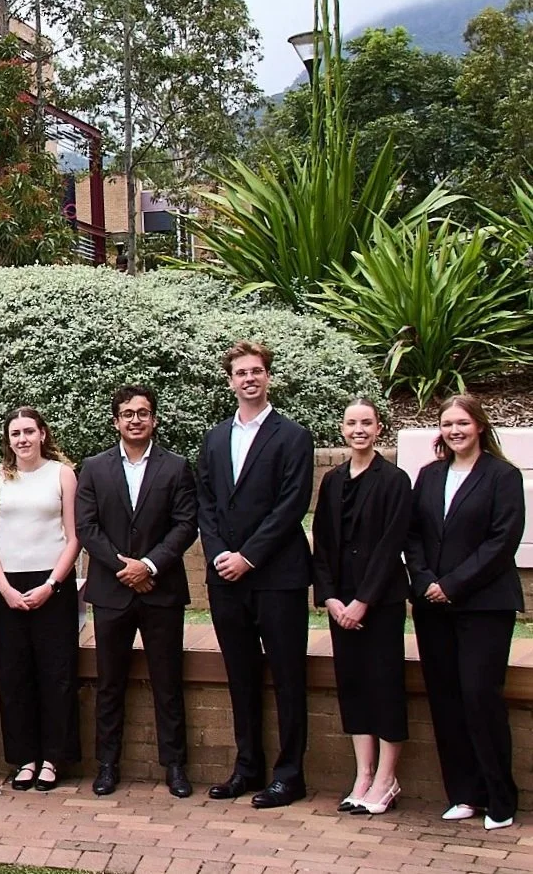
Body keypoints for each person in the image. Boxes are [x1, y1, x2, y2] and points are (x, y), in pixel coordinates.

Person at [196, 340, 314, 809]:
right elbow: (205, 502)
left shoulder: (293, 436)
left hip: (277, 576)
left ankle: (290, 774)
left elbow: (292, 506)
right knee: (240, 676)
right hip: (227, 580)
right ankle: (247, 768)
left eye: (257, 371)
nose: (249, 379)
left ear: (268, 378)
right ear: (231, 381)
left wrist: (249, 555)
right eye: (241, 372)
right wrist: (223, 555)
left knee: (288, 676)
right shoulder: (216, 436)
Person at [406, 394, 524, 831]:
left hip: (485, 604)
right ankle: (464, 794)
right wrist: (423, 581)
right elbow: (413, 533)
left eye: (462, 422)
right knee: (446, 698)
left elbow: (501, 541)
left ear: (479, 426)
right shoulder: (430, 475)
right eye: (447, 423)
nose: (454, 430)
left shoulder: (503, 476)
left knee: (479, 696)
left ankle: (499, 798)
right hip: (432, 606)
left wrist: (450, 584)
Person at [75, 385, 199, 799]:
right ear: (116, 421)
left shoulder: (177, 467)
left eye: (143, 413)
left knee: (168, 681)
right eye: (127, 413)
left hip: (161, 590)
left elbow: (185, 525)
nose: (135, 419)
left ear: (154, 419)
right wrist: (123, 567)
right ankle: (107, 765)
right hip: (112, 592)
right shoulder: (93, 468)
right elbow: (87, 528)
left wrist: (147, 565)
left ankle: (175, 766)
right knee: (110, 683)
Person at [311, 397, 411, 816]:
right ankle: (363, 775)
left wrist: (362, 601)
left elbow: (392, 545)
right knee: (353, 687)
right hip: (340, 607)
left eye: (366, 423)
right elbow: (323, 543)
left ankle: (387, 780)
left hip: (379, 603)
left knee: (385, 686)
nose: (359, 430)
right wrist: (332, 598)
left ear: (379, 428)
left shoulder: (395, 480)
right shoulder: (332, 481)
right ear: (342, 429)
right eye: (352, 423)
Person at [0, 406, 80, 791]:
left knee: (56, 675)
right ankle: (25, 758)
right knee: (15, 676)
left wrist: (52, 584)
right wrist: (3, 588)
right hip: (8, 586)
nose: (22, 439)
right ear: (8, 440)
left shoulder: (62, 474)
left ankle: (53, 759)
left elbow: (74, 536)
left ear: (42, 434)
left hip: (53, 584)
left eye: (28, 431)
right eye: (15, 433)